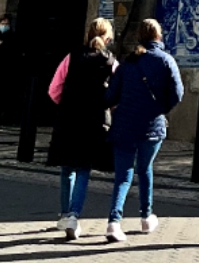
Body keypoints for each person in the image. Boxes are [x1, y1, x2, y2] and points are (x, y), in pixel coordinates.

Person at [106, 20, 183, 243]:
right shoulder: (167, 61)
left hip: (124, 125)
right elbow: (177, 93)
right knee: (145, 168)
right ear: (158, 36)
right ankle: (146, 216)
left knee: (123, 175)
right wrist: (160, 109)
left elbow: (111, 95)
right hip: (152, 125)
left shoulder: (128, 63)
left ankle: (113, 221)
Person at [46, 17, 116, 240]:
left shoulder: (71, 57)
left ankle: (65, 213)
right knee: (84, 168)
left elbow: (54, 90)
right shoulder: (110, 61)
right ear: (107, 37)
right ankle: (74, 216)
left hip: (69, 119)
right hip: (93, 122)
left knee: (68, 168)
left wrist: (67, 104)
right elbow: (117, 93)